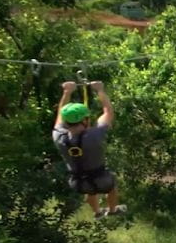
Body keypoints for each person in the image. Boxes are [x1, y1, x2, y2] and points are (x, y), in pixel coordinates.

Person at [53, 81, 125, 220]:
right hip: (101, 179)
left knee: (90, 190)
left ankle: (97, 213)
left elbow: (59, 116)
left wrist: (67, 92)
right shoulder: (94, 135)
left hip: (78, 182)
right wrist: (100, 90)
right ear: (85, 120)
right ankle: (112, 210)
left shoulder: (58, 136)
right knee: (111, 188)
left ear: (67, 121)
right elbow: (108, 112)